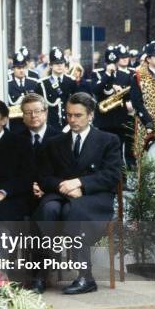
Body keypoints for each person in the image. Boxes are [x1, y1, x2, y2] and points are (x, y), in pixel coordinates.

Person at [32, 92, 121, 295]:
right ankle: (40, 274)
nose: (72, 120)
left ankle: (85, 277)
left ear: (90, 115)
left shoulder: (108, 140)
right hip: (60, 195)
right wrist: (64, 185)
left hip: (94, 198)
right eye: (69, 115)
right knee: (48, 209)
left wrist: (81, 183)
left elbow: (111, 175)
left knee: (77, 211)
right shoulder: (54, 142)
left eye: (78, 115)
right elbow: (44, 176)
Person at [15, 93, 61, 212]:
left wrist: (44, 187)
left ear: (45, 113)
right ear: (23, 116)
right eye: (28, 112)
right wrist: (30, 186)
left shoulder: (61, 138)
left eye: (37, 111)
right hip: (22, 192)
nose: (33, 116)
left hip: (51, 193)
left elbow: (62, 172)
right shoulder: (15, 140)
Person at [93, 44, 136, 168]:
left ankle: (119, 177)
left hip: (120, 119)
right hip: (103, 120)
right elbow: (95, 89)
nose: (112, 65)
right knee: (103, 150)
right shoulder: (98, 74)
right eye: (109, 62)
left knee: (118, 150)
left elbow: (130, 94)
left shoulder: (125, 75)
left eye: (114, 62)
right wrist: (107, 74)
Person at [35, 47, 78, 129]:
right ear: (50, 65)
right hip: (50, 125)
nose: (59, 66)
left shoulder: (71, 81)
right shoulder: (43, 84)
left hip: (69, 124)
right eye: (56, 63)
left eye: (61, 63)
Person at [7, 52, 40, 133]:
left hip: (31, 124)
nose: (21, 70)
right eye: (18, 68)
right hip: (14, 124)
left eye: (23, 67)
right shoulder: (8, 84)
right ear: (13, 69)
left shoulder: (34, 83)